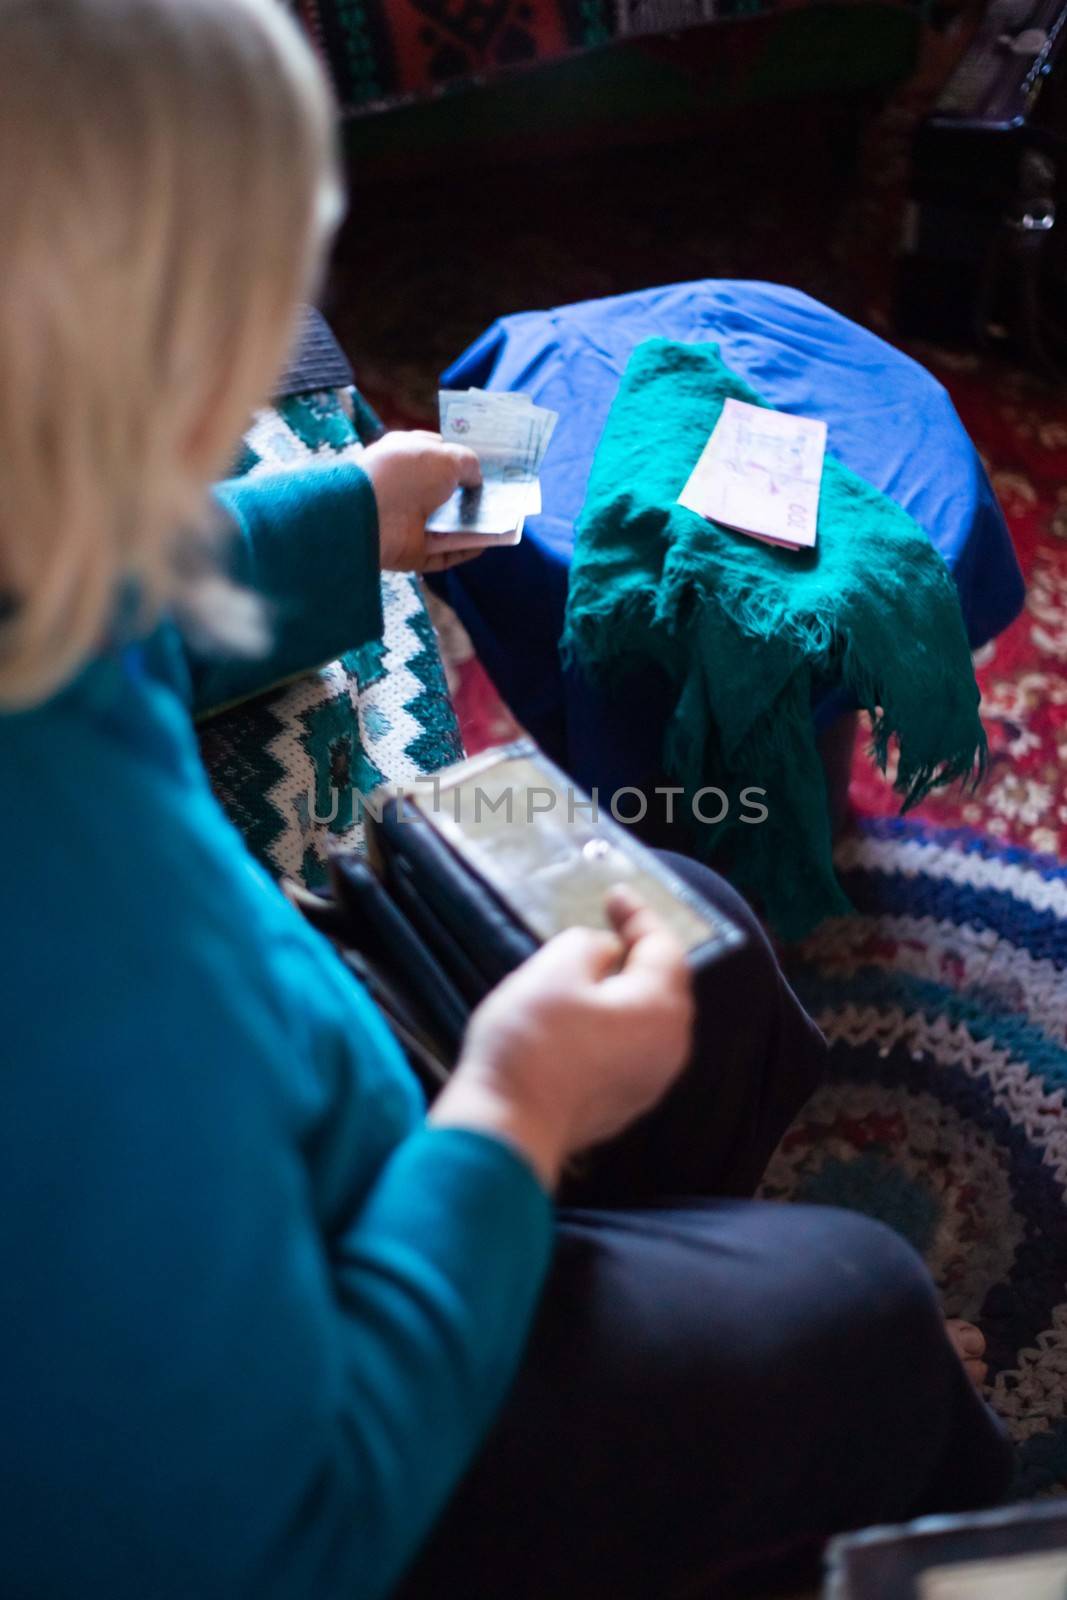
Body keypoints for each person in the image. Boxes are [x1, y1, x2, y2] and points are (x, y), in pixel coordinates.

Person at [0, 2, 1012, 1597]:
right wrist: (512, 1119)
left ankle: (682, 1298)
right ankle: (836, 1445)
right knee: (865, 1311)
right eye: (228, 323)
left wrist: (340, 519)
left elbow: (111, 595)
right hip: (339, 1438)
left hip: (308, 1097)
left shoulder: (36, 559)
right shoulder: (73, 1008)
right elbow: (285, 1534)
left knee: (718, 952)